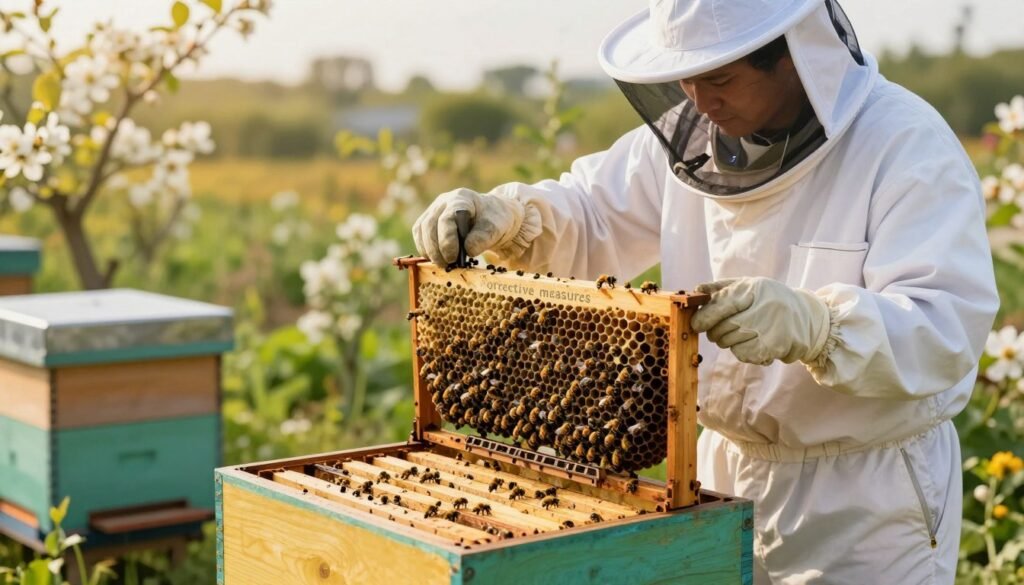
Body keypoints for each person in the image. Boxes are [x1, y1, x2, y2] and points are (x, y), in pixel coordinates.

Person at [412, 0, 999, 582]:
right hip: (717, 476)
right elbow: (594, 214)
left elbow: (944, 327)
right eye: (685, 77)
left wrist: (820, 327)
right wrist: (510, 217)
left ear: (795, 57)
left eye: (719, 77)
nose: (699, 98)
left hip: (865, 502)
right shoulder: (693, 138)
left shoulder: (906, 147)